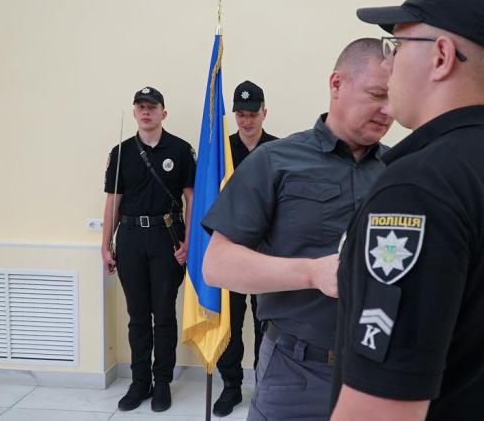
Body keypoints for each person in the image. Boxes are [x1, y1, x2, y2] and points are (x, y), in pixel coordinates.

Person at [330, 0, 484, 421]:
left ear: (441, 56)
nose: (389, 64)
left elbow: (380, 412)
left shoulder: (418, 190)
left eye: (396, 47)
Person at [201, 38, 392, 421]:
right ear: (337, 84)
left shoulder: (401, 171)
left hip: (380, 372)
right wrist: (311, 272)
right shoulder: (275, 161)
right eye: (377, 94)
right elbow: (217, 265)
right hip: (296, 372)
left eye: (395, 97)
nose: (388, 110)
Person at [101, 86, 195, 412]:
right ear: (134, 112)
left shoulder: (181, 150)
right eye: (140, 106)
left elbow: (192, 199)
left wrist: (190, 242)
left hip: (166, 238)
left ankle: (162, 382)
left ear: (163, 113)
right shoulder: (121, 152)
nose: (145, 112)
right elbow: (113, 202)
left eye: (151, 107)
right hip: (130, 239)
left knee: (164, 314)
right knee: (138, 316)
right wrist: (105, 245)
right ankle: (140, 382)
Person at [213, 80, 278, 417]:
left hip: (267, 251)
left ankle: (263, 384)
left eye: (252, 114)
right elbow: (210, 200)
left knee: (264, 321)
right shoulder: (222, 152)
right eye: (240, 114)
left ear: (264, 112)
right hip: (232, 249)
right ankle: (231, 385)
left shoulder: (280, 150)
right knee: (231, 321)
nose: (246, 121)